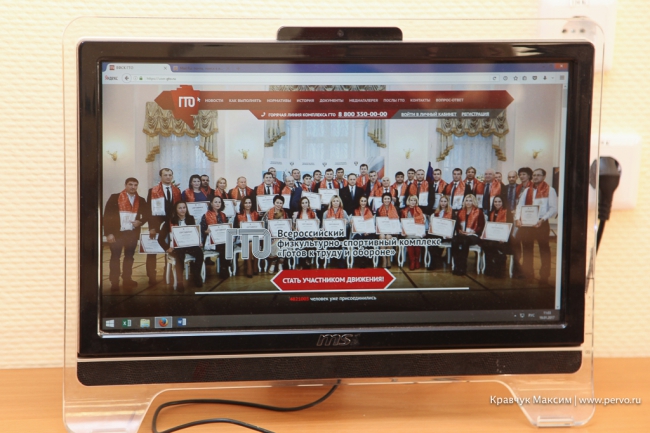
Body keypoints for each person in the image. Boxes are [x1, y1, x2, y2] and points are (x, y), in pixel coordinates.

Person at [103, 177, 148, 291]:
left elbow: (148, 214)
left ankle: (127, 279)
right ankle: (114, 282)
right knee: (115, 257)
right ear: (125, 185)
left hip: (132, 233)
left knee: (129, 257)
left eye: (135, 185)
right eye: (130, 184)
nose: (133, 187)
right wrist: (108, 233)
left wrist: (140, 222)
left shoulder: (141, 200)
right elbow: (107, 216)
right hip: (117, 233)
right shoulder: (115, 197)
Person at [515, 168, 558, 284]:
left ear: (544, 177)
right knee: (527, 249)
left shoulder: (550, 190)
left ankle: (544, 276)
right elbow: (520, 206)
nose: (535, 177)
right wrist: (517, 219)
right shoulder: (527, 190)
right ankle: (528, 273)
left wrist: (542, 219)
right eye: (534, 175)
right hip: (527, 224)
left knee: (544, 249)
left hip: (541, 223)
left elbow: (553, 208)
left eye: (538, 175)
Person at [146, 168, 182, 286]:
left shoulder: (177, 191)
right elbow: (148, 211)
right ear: (160, 177)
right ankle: (151, 276)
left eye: (170, 175)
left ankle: (168, 273)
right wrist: (152, 227)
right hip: (157, 224)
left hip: (171, 224)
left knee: (171, 248)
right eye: (165, 175)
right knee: (152, 251)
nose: (168, 177)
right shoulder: (152, 191)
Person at [157, 201, 204, 291]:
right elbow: (160, 239)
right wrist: (167, 248)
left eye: (184, 207)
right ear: (176, 210)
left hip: (189, 245)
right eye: (180, 208)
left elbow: (193, 233)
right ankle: (180, 281)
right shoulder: (170, 221)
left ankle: (196, 276)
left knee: (199, 253)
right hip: (176, 247)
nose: (182, 210)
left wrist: (198, 242)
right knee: (180, 255)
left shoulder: (190, 218)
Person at [451, 194, 485, 276]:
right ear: (464, 201)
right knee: (454, 240)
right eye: (467, 200)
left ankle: (463, 266)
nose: (468, 202)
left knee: (465, 241)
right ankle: (456, 265)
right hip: (462, 234)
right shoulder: (460, 211)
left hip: (474, 235)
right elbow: (457, 225)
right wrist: (459, 230)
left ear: (473, 202)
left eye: (470, 200)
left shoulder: (478, 212)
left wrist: (473, 232)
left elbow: (482, 226)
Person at [480, 196, 512, 278]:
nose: (497, 203)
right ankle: (490, 268)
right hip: (493, 237)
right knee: (485, 244)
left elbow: (510, 227)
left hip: (504, 238)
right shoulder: (491, 212)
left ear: (503, 202)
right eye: (495, 202)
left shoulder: (507, 212)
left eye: (499, 201)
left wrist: (504, 238)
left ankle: (499, 270)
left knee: (494, 245)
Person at [200, 195, 231, 280]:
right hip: (211, 241)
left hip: (222, 239)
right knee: (225, 247)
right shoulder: (205, 215)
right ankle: (224, 267)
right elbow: (202, 230)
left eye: (219, 202)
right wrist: (206, 231)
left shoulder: (223, 215)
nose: (218, 204)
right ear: (211, 203)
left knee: (227, 245)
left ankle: (224, 266)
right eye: (215, 202)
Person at [233, 196, 260, 278]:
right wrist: (240, 227)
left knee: (253, 243)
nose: (248, 205)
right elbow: (235, 229)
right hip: (242, 238)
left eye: (249, 203)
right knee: (249, 244)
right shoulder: (238, 215)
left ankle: (254, 264)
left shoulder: (256, 214)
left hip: (254, 237)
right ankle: (250, 266)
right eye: (246, 203)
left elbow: (260, 227)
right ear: (243, 204)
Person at [264, 195, 290, 273]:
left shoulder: (285, 214)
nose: (279, 204)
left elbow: (288, 226)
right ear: (274, 203)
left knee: (285, 241)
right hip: (271, 236)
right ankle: (274, 262)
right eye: (277, 202)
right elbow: (264, 226)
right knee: (277, 242)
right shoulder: (268, 213)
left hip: (282, 236)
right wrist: (273, 235)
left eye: (281, 203)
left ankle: (280, 262)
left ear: (283, 204)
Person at [427, 195, 453, 270]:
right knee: (430, 239)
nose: (443, 203)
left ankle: (434, 261)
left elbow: (453, 225)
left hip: (446, 235)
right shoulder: (436, 212)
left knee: (433, 240)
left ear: (448, 202)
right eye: (441, 201)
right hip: (437, 233)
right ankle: (434, 260)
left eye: (445, 201)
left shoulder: (451, 212)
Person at [401, 195, 426, 270]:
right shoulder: (404, 211)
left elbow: (422, 223)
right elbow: (402, 222)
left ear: (416, 201)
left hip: (417, 231)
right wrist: (404, 231)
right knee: (409, 240)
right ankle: (412, 261)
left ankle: (417, 260)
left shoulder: (419, 210)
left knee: (417, 240)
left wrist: (422, 231)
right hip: (408, 232)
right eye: (411, 200)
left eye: (414, 200)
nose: (413, 202)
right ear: (408, 201)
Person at [323, 195, 348, 268]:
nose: (336, 202)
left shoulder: (344, 212)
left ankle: (336, 261)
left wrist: (346, 224)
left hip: (341, 235)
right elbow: (323, 227)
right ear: (331, 202)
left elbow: (348, 226)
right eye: (334, 201)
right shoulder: (326, 213)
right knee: (333, 240)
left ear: (340, 202)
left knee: (337, 240)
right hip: (329, 235)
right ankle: (338, 261)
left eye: (337, 201)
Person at [376, 192, 400, 268]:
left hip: (392, 231)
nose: (387, 200)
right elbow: (377, 222)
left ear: (391, 200)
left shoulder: (396, 209)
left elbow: (398, 221)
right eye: (385, 199)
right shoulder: (378, 210)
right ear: (382, 200)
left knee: (388, 237)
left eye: (388, 199)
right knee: (382, 236)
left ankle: (388, 258)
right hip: (382, 230)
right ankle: (384, 259)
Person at [351, 195, 376, 268]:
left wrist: (368, 231)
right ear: (359, 201)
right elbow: (352, 223)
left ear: (367, 202)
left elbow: (372, 224)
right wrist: (352, 222)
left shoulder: (369, 211)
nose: (363, 202)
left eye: (365, 201)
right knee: (358, 239)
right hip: (357, 232)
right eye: (362, 201)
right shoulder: (355, 211)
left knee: (368, 239)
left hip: (368, 232)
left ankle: (366, 259)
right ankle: (362, 259)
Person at [294, 196, 318, 269]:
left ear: (308, 204)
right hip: (300, 236)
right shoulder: (296, 214)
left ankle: (304, 261)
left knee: (309, 241)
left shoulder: (313, 214)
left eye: (306, 202)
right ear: (300, 204)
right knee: (306, 241)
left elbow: (316, 226)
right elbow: (293, 227)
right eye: (303, 203)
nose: (304, 204)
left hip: (311, 235)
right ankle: (306, 261)